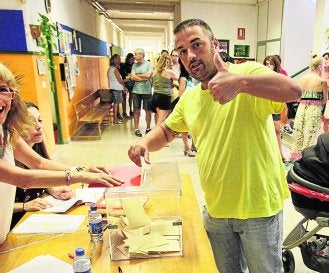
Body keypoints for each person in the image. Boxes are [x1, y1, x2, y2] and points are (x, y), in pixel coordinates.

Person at [128, 19, 301, 273]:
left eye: (197, 45)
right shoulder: (191, 97)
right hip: (216, 209)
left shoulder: (248, 73)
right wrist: (144, 142)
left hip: (258, 208)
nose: (191, 55)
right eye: (183, 51)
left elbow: (294, 91)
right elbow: (166, 131)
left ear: (215, 44)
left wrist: (240, 83)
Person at [0, 54, 123, 272]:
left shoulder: (4, 132)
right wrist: (80, 176)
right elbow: (21, 177)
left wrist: (83, 168)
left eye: (4, 89)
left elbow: (38, 164)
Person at [11, 102, 73, 229]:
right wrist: (24, 206)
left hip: (36, 218)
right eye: (30, 122)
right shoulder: (7, 159)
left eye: (40, 120)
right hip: (14, 226)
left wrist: (53, 190)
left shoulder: (38, 151)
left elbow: (38, 180)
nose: (39, 126)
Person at [289, 56, 328, 161]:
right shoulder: (322, 82)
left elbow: (298, 97)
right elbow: (325, 100)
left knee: (299, 133)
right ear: (319, 66)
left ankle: (296, 159)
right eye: (324, 66)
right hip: (314, 110)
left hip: (301, 109)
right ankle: (307, 159)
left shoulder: (302, 79)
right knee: (310, 134)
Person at [264, 55, 287, 161]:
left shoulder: (280, 76)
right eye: (267, 64)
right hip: (264, 105)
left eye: (271, 64)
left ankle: (280, 154)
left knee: (277, 129)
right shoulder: (261, 76)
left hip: (275, 104)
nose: (268, 66)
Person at [130, 48, 154, 137]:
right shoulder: (134, 65)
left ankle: (148, 128)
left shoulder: (149, 64)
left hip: (147, 91)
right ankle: (136, 129)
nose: (134, 56)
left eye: (136, 54)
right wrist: (142, 77)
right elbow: (132, 77)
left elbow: (148, 76)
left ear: (141, 55)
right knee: (136, 110)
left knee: (148, 111)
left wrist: (137, 76)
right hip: (136, 91)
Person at [152, 53, 179, 126]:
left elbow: (153, 85)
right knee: (161, 121)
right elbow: (179, 77)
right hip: (165, 96)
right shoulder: (168, 72)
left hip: (155, 95)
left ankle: (158, 135)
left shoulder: (155, 71)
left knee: (159, 119)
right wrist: (172, 67)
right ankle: (155, 136)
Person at [108, 54, 127, 124]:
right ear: (115, 60)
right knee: (116, 104)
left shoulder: (110, 69)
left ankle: (116, 118)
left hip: (114, 88)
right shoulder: (114, 69)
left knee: (116, 104)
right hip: (117, 89)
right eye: (118, 58)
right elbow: (120, 81)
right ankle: (115, 119)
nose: (120, 60)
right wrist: (127, 79)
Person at [120, 53, 135, 118]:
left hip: (132, 83)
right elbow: (122, 74)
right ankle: (124, 112)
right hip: (125, 83)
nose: (132, 60)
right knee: (124, 98)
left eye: (133, 59)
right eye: (130, 59)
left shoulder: (134, 65)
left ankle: (131, 111)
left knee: (131, 97)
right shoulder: (123, 65)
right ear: (128, 59)